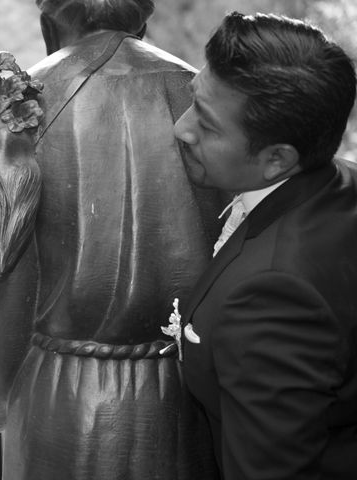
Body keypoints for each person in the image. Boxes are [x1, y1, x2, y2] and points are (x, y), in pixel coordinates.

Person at [0, 1, 223, 478]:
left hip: (60, 399)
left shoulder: (13, 106)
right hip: (190, 392)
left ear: (48, 25)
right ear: (142, 20)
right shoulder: (203, 93)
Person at [173, 11, 357, 480]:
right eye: (193, 98)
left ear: (277, 159)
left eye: (208, 126)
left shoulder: (270, 295)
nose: (181, 128)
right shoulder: (341, 182)